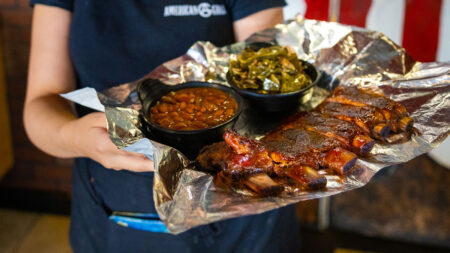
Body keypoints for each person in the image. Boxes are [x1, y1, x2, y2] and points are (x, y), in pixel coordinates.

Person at [24, 1, 301, 252]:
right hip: (112, 204)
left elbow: (265, 80)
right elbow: (40, 104)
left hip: (238, 208)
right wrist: (73, 136)